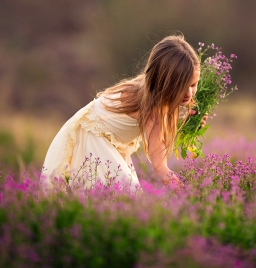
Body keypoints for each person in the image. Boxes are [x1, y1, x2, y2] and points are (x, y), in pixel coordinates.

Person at [40, 34, 207, 194]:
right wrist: (188, 193)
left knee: (117, 198)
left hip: (99, 135)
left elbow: (160, 125)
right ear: (165, 83)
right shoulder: (153, 110)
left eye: (193, 85)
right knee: (125, 196)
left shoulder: (148, 90)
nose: (189, 93)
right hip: (92, 137)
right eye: (182, 86)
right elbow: (161, 169)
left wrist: (186, 122)